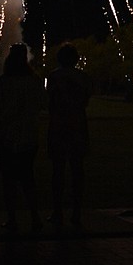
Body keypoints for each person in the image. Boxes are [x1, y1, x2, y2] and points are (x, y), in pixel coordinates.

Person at [0, 43, 43, 234]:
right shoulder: (34, 81)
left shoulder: (4, 81)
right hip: (28, 137)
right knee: (28, 179)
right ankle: (35, 217)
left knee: (9, 180)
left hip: (7, 137)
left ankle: (12, 219)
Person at [47, 44, 91, 229]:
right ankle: (76, 212)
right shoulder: (83, 77)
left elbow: (50, 102)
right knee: (77, 170)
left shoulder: (54, 77)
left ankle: (57, 212)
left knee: (58, 171)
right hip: (78, 126)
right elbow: (85, 101)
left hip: (58, 126)